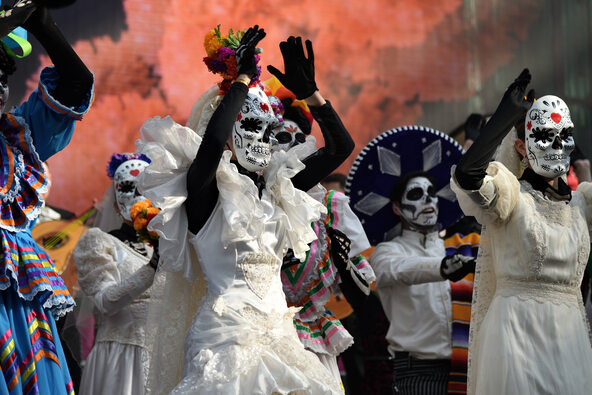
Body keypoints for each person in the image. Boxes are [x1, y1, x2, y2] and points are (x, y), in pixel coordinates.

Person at [138, 26, 352, 394]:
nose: (262, 140)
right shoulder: (203, 192)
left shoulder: (278, 191)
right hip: (224, 339)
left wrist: (311, 95)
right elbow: (215, 142)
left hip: (282, 336)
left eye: (269, 132)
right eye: (251, 126)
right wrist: (242, 80)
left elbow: (340, 148)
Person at [452, 69, 592, 394]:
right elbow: (467, 176)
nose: (556, 145)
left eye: (564, 135)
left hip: (570, 335)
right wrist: (504, 117)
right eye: (545, 136)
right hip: (517, 331)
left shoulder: (583, 204)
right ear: (521, 146)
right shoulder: (511, 197)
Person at [0, 1, 93, 393]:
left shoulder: (16, 141)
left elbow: (75, 85)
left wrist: (42, 22)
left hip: (21, 320)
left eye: (3, 75)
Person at [73, 153, 158, 395]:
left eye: (144, 187)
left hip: (164, 356)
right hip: (121, 360)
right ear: (114, 203)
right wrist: (152, 268)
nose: (137, 197)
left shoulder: (169, 246)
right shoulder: (99, 242)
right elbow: (105, 302)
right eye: (128, 188)